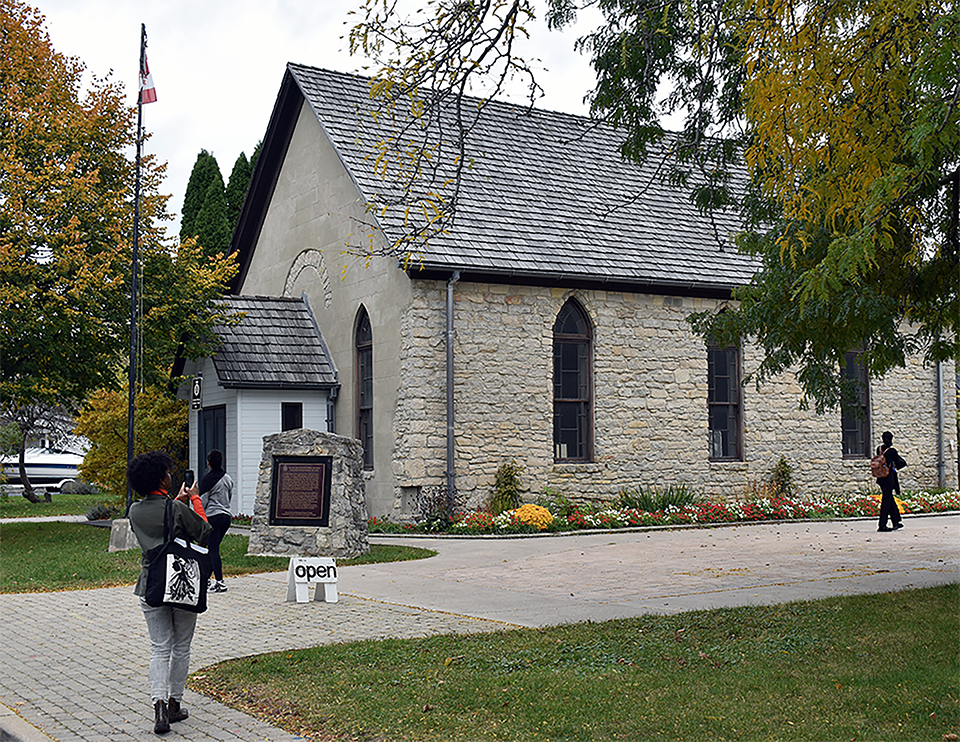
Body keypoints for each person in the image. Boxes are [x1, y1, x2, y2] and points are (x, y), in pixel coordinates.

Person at [127, 450, 212, 735]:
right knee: (181, 647)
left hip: (151, 583)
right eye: (167, 471)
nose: (170, 474)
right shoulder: (175, 509)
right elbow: (203, 530)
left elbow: (161, 525)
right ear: (161, 477)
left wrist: (176, 499)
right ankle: (175, 704)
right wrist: (195, 498)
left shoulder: (135, 511)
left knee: (159, 648)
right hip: (182, 583)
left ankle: (159, 708)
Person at [199, 449, 233, 593]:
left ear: (208, 463)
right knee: (213, 550)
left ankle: (219, 582)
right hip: (226, 516)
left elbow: (202, 501)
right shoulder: (227, 478)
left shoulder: (207, 480)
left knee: (212, 550)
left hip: (212, 516)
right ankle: (206, 579)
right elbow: (229, 496)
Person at [876, 430, 907, 532]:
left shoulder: (879, 449)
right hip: (889, 478)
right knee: (886, 500)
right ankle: (882, 525)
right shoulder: (892, 451)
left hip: (881, 478)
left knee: (889, 498)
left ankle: (896, 521)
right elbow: (898, 463)